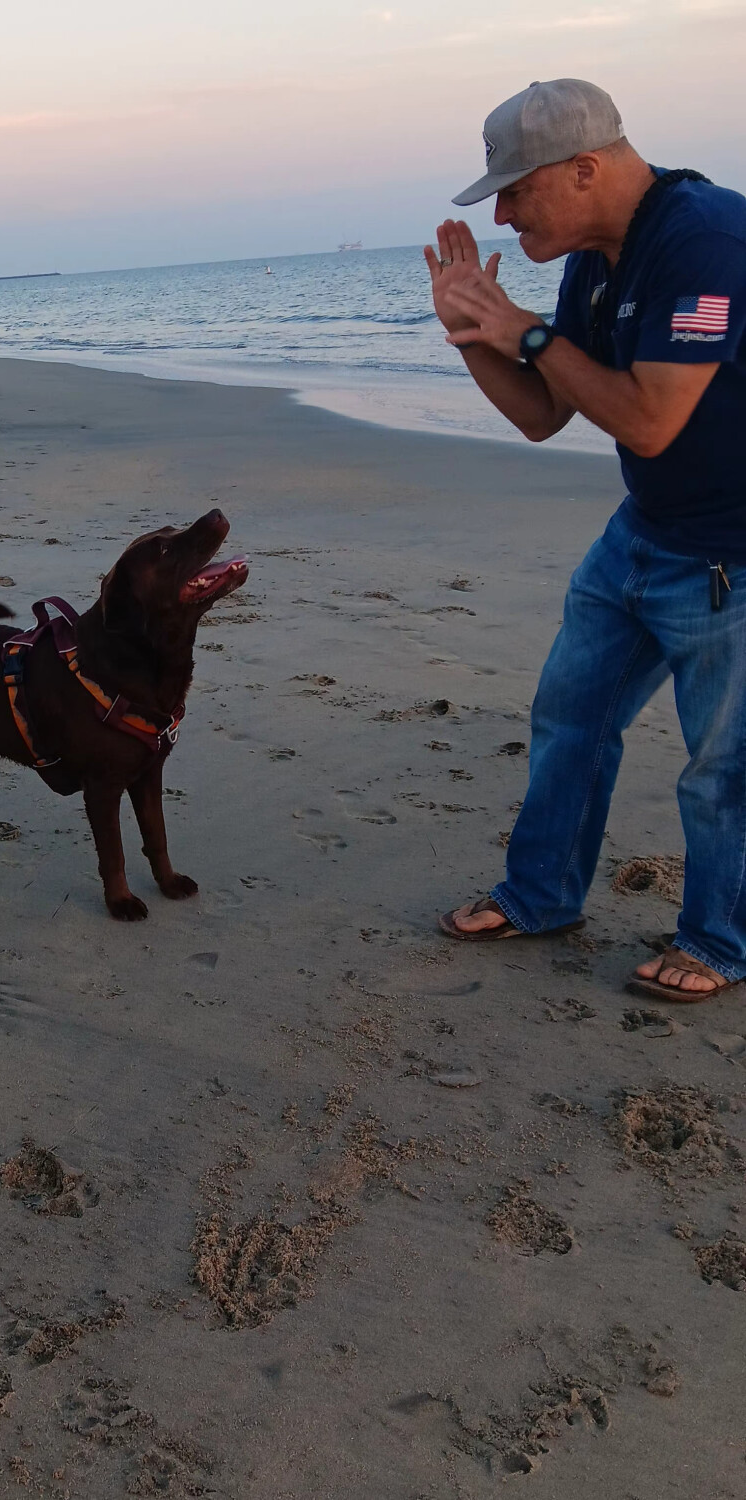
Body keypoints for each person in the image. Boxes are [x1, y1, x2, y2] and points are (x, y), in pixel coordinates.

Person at [427, 78, 746, 1003]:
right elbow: (540, 413)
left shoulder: (708, 241)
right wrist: (476, 337)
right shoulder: (595, 259)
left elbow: (649, 421)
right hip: (643, 534)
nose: (506, 211)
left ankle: (720, 942)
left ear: (584, 169)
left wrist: (522, 331)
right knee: (570, 719)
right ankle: (540, 896)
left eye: (517, 190)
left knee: (721, 772)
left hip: (731, 554)